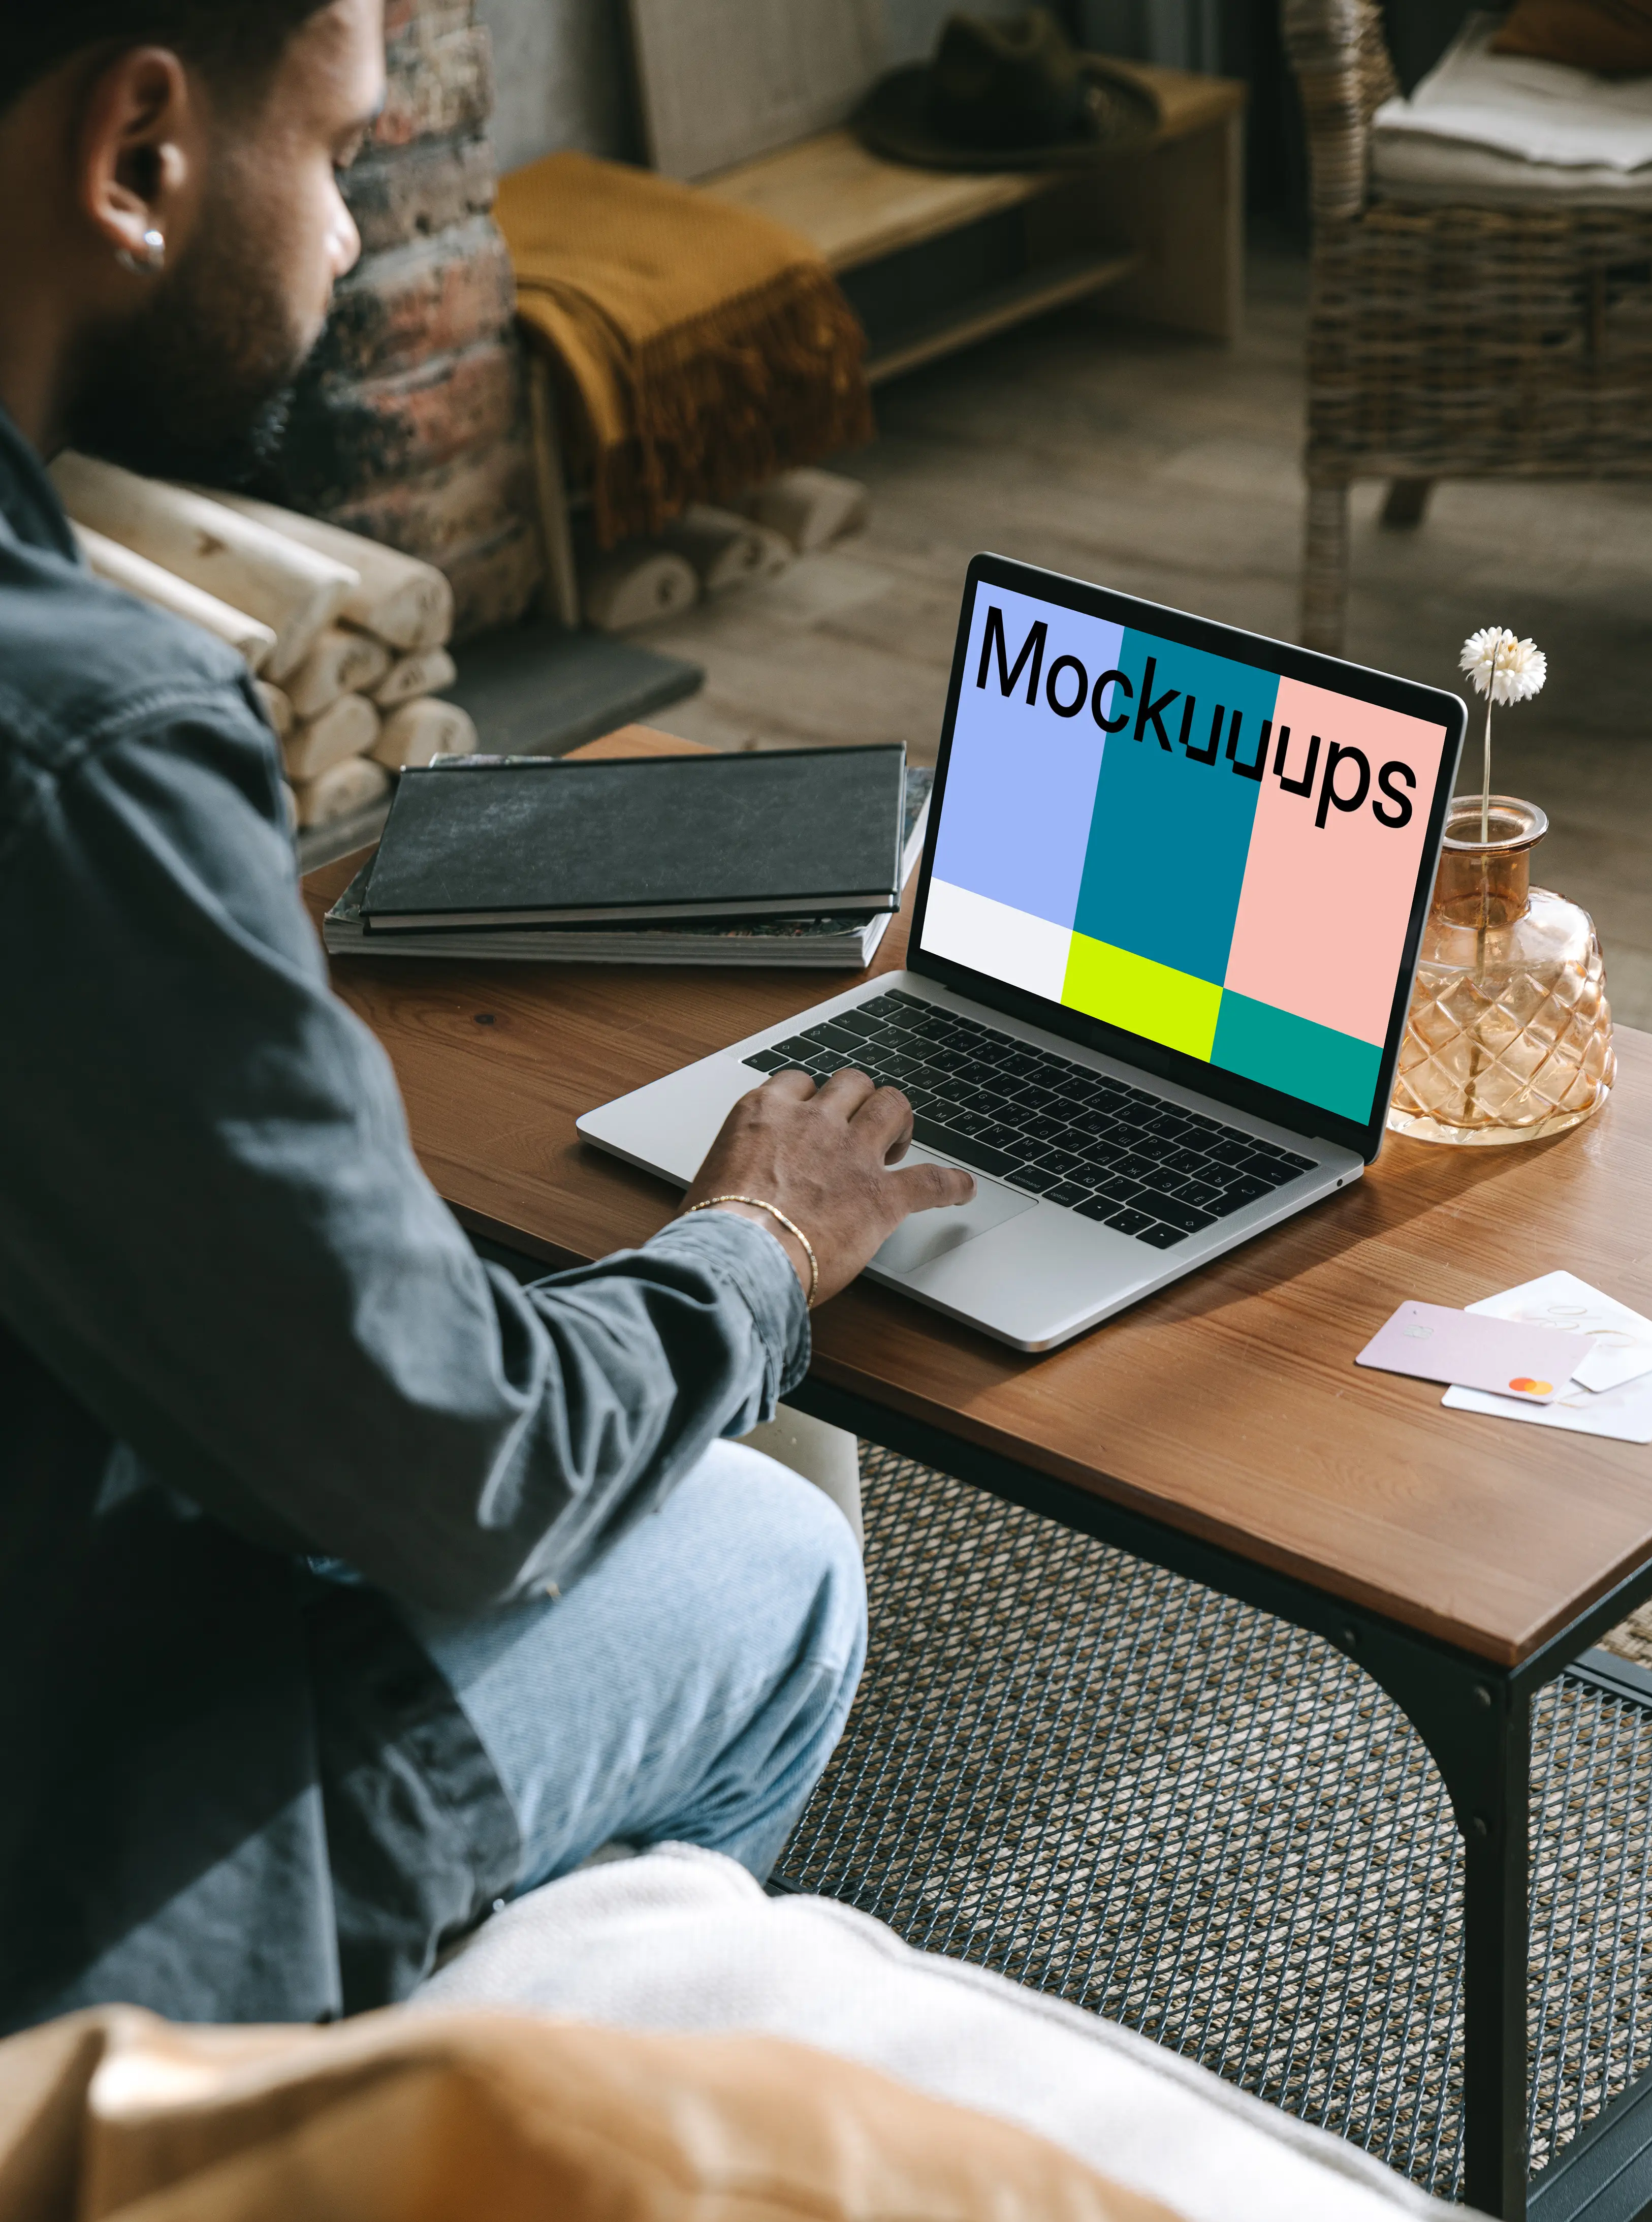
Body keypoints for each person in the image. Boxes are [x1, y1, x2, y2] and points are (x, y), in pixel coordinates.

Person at [0, 0, 972, 2031]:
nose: (351, 233)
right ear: (140, 157)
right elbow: (467, 1474)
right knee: (773, 1554)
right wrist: (757, 1244)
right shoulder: (81, 737)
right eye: (338, 152)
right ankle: (396, 2129)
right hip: (74, 1842)